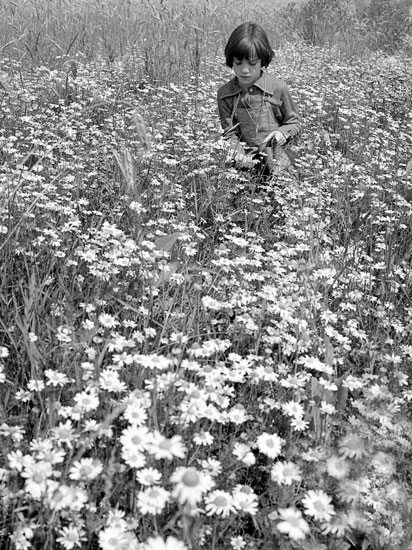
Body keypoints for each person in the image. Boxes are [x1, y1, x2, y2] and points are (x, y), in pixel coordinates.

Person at [217, 23, 302, 178]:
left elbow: (294, 123)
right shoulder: (225, 94)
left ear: (263, 60)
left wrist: (281, 133)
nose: (244, 70)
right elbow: (229, 133)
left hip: (277, 162)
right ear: (230, 61)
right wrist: (238, 155)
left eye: (252, 63)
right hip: (244, 165)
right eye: (238, 63)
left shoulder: (278, 88)